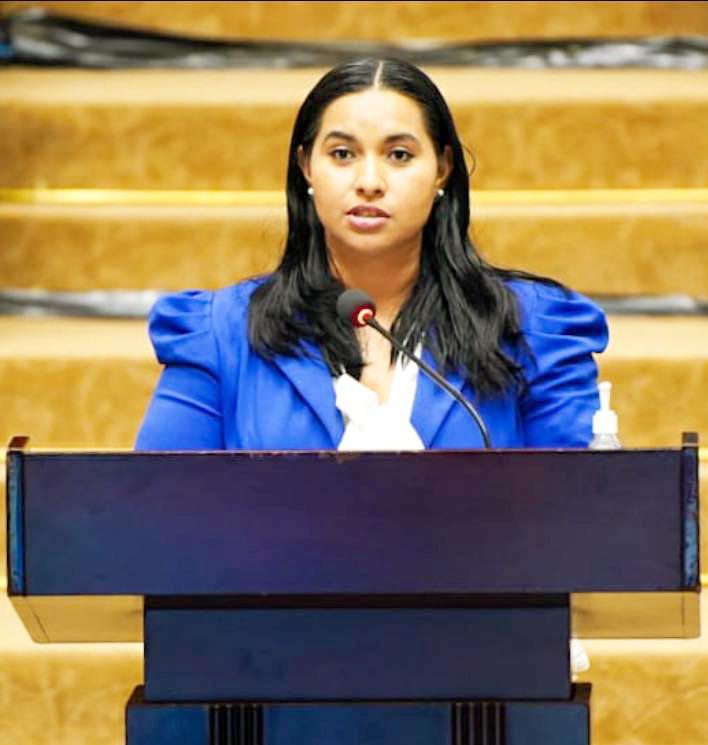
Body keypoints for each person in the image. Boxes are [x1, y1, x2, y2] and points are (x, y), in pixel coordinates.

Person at [135, 58, 608, 452]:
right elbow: (159, 507)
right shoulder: (220, 334)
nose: (369, 182)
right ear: (306, 166)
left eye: (399, 155)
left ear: (442, 169)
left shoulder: (534, 328)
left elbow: (582, 510)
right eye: (343, 154)